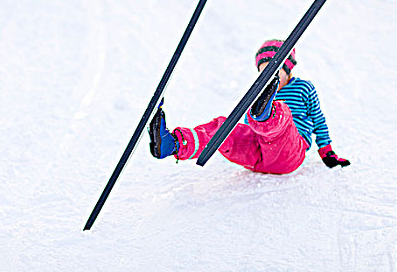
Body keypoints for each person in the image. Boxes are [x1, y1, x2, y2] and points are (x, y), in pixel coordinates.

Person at [148, 39, 350, 174]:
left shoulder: (303, 88)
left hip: (289, 154)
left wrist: (327, 152)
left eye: (273, 71)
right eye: (263, 72)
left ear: (287, 68)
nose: (267, 77)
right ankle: (172, 144)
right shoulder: (258, 93)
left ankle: (266, 115)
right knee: (223, 127)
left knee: (282, 115)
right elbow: (247, 129)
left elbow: (318, 120)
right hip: (257, 156)